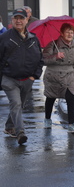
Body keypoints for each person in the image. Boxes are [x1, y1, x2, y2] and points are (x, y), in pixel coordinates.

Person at [0, 8, 43, 145]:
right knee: (16, 103)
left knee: (19, 105)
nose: (18, 21)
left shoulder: (33, 38)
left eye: (21, 18)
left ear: (26, 20)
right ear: (12, 20)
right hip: (9, 79)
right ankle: (20, 133)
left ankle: (9, 127)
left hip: (27, 80)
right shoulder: (4, 38)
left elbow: (40, 59)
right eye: (15, 18)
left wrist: (34, 76)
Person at [43, 23, 74, 133]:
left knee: (71, 97)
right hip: (53, 76)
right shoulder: (52, 45)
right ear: (61, 33)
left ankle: (71, 124)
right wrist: (55, 57)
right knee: (51, 98)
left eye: (72, 32)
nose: (70, 34)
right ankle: (47, 119)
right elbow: (44, 60)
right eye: (67, 32)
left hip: (69, 75)